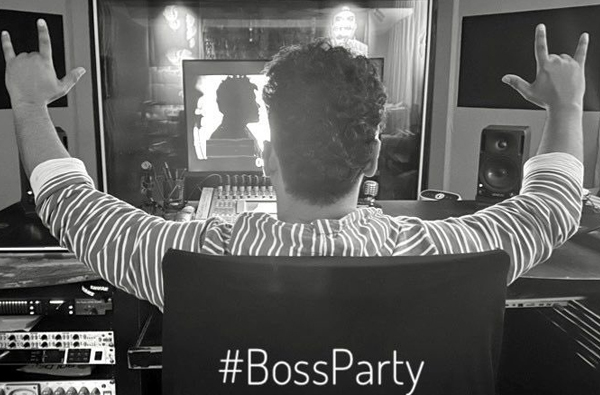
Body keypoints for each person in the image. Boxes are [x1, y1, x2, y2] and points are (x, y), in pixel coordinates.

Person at [1, 21, 587, 312]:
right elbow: (553, 206)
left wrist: (27, 104)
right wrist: (566, 106)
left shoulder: (186, 257)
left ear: (265, 156)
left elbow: (70, 204)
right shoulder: (450, 253)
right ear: (374, 156)